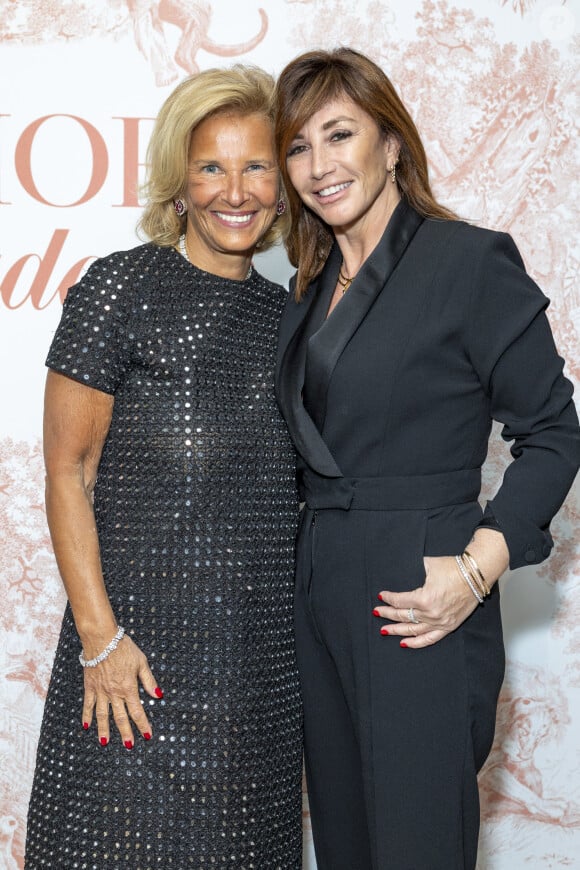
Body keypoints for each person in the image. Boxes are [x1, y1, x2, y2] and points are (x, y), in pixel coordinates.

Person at [274, 47, 580, 870]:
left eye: (339, 135)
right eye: (298, 147)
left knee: (416, 845)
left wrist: (475, 570)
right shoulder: (311, 287)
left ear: (392, 144)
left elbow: (555, 432)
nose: (319, 164)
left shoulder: (468, 261)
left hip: (419, 586)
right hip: (319, 585)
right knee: (345, 843)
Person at [26, 65, 303, 868]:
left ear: (283, 186)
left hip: (257, 681)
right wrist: (99, 639)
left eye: (256, 165)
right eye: (211, 166)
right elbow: (67, 473)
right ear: (178, 183)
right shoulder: (120, 287)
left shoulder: (292, 319)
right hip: (131, 671)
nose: (236, 190)